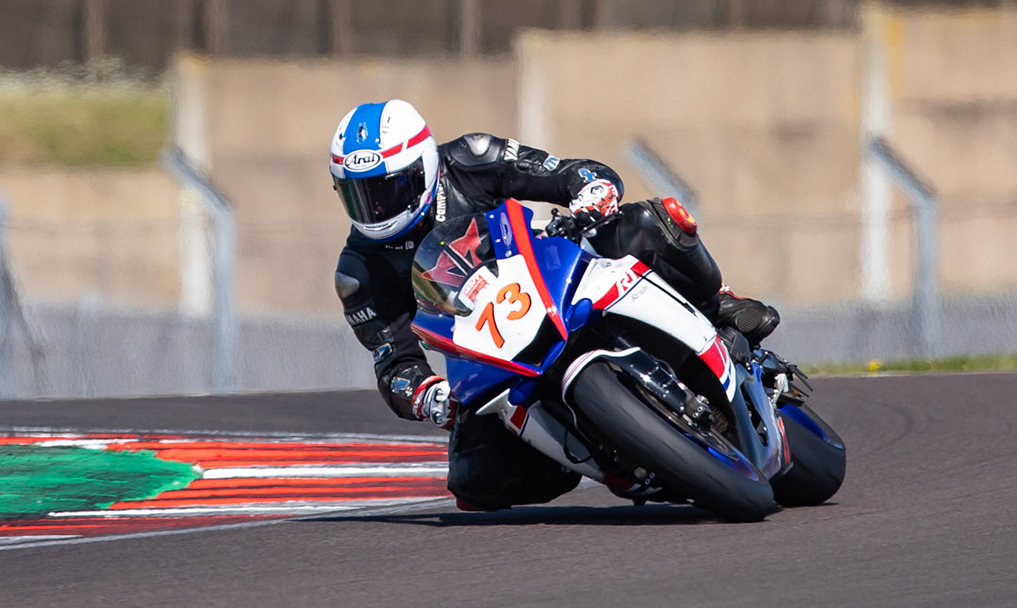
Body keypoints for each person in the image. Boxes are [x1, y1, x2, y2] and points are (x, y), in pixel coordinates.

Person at [329, 98, 780, 512]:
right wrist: (428, 396)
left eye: (386, 190)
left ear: (424, 166)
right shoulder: (358, 273)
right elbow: (393, 363)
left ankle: (715, 304)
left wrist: (591, 190)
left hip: (549, 269)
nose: (375, 209)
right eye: (357, 196)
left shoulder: (471, 157)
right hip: (488, 348)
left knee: (645, 223)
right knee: (474, 481)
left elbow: (567, 172)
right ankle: (600, 451)